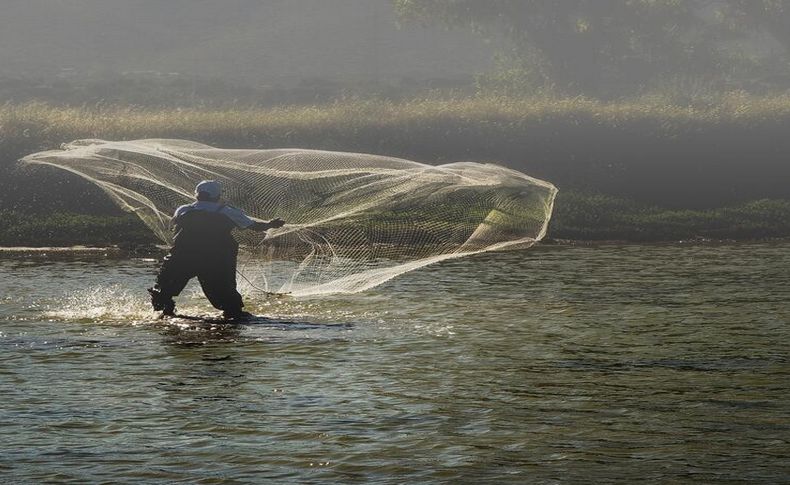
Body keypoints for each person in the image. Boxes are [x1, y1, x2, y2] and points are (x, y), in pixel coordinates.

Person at [148, 180, 285, 319]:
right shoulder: (227, 211)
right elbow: (254, 226)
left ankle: (165, 316)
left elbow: (175, 227)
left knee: (163, 290)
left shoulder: (183, 210)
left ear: (197, 195)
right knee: (228, 300)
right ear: (217, 196)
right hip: (215, 260)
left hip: (182, 257)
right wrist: (271, 224)